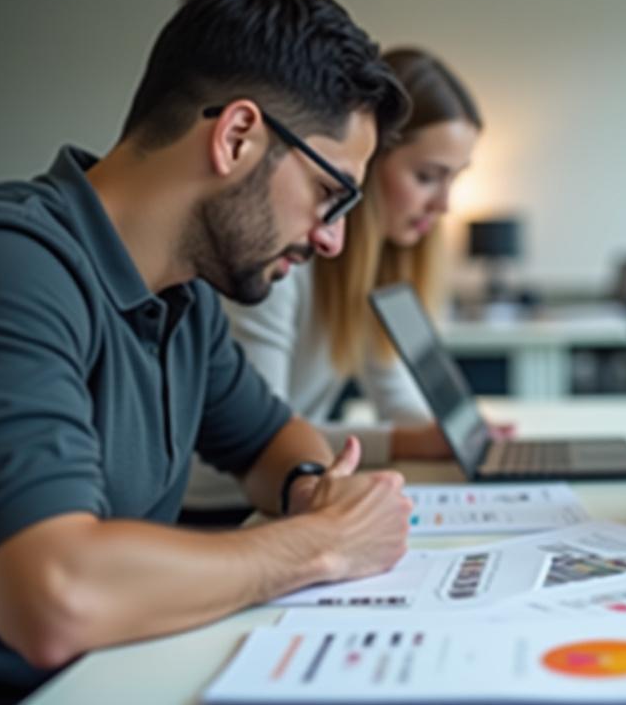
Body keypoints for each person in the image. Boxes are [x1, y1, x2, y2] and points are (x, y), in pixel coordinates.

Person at [0, 0, 416, 703]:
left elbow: (273, 443)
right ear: (236, 136)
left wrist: (307, 489)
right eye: (331, 195)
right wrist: (321, 544)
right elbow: (56, 595)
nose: (332, 241)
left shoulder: (183, 298)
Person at [181, 48, 483, 524]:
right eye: (427, 176)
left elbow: (393, 392)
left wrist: (441, 435)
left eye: (453, 180)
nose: (444, 203)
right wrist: (405, 442)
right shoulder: (280, 266)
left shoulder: (374, 267)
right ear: (364, 161)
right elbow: (255, 440)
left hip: (289, 493)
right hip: (224, 507)